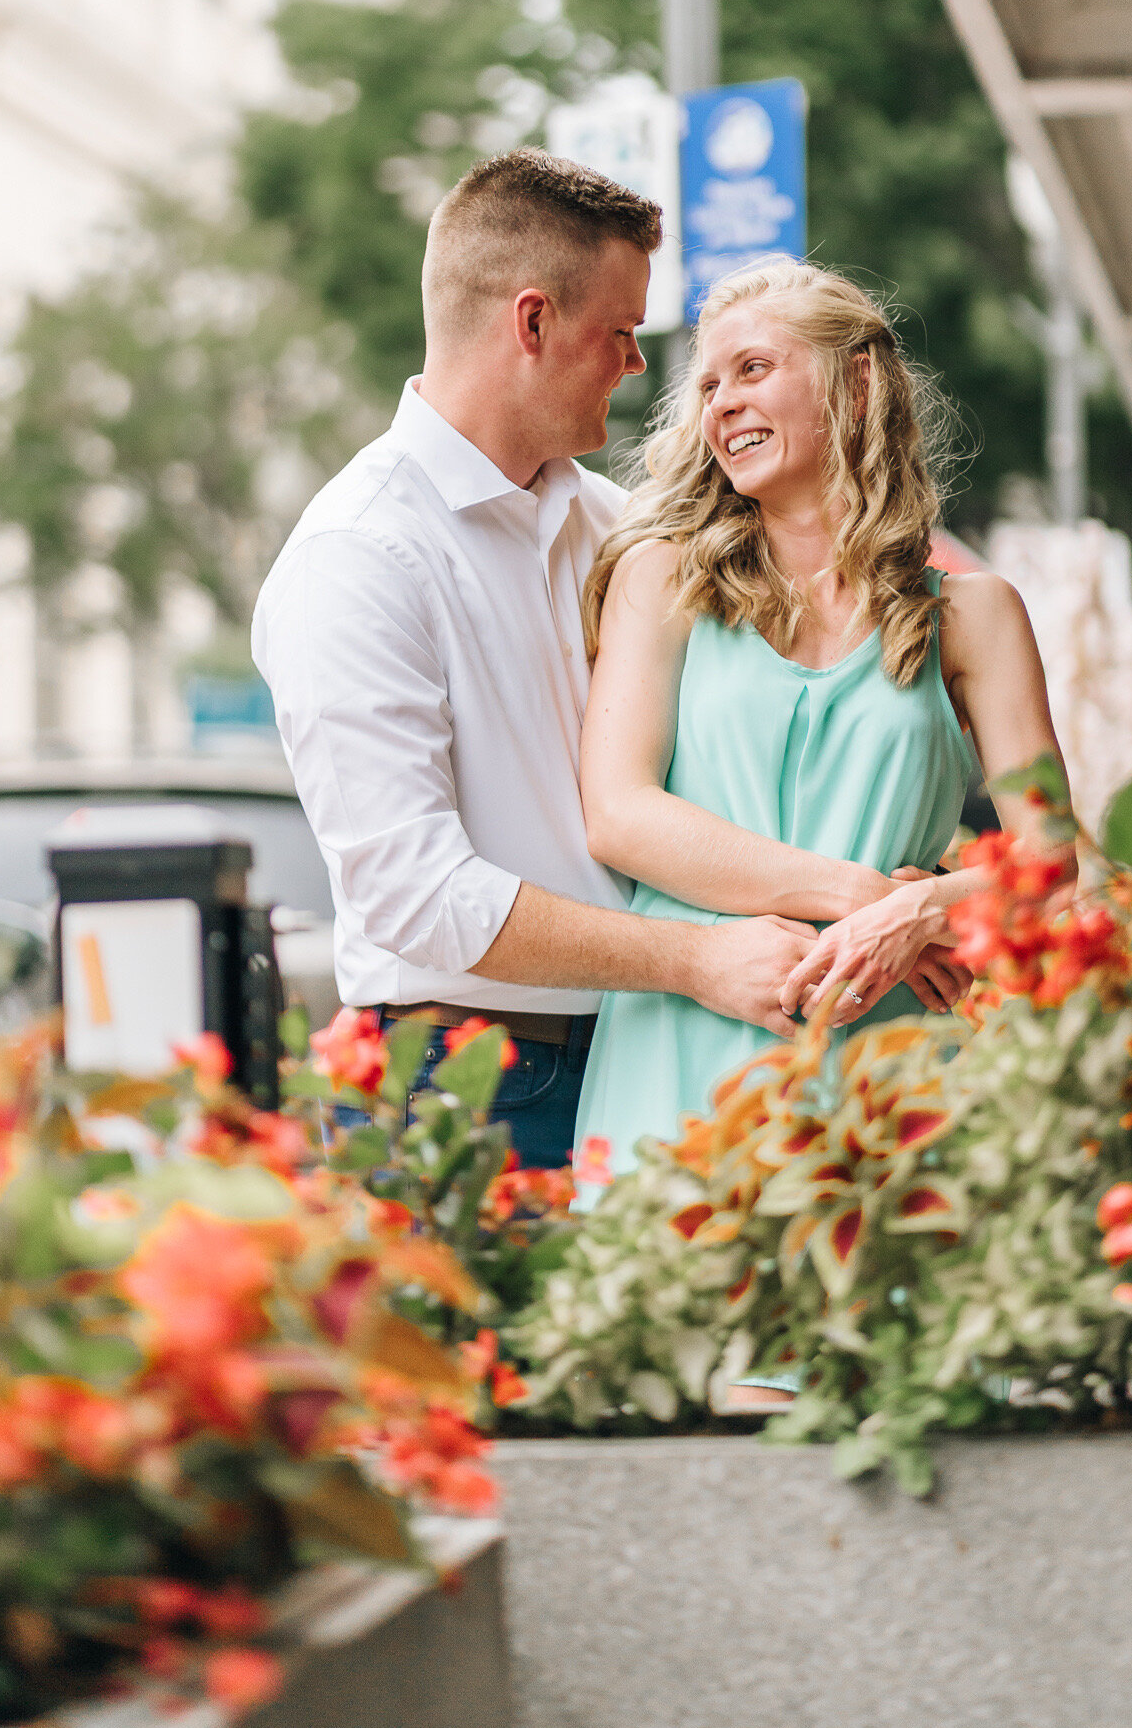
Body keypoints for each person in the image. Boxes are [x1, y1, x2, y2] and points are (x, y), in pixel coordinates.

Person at [251, 150, 826, 1169]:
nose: (637, 367)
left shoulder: (614, 528)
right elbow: (417, 898)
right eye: (619, 334)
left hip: (647, 1052)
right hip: (466, 1094)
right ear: (531, 324)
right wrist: (696, 960)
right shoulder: (357, 557)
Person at [572, 257, 1071, 1180]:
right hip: (686, 1053)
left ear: (857, 381)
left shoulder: (975, 616)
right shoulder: (662, 578)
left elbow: (1052, 865)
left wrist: (922, 909)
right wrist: (864, 900)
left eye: (754, 369)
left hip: (891, 1076)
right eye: (708, 386)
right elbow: (621, 813)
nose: (720, 404)